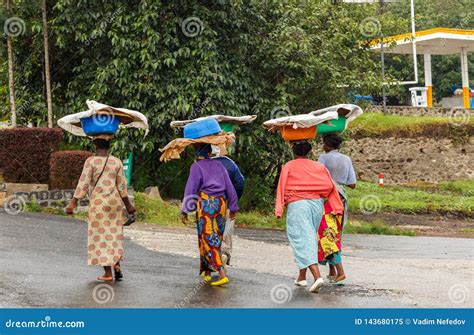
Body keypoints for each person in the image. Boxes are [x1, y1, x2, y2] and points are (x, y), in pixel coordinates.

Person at [275, 140, 343, 293]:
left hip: (298, 205)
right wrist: (337, 207)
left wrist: (279, 208)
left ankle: (317, 276)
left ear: (294, 151)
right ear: (308, 152)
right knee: (309, 237)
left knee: (301, 239)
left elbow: (281, 186)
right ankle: (301, 276)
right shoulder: (319, 167)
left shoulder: (289, 165)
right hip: (316, 205)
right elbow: (331, 187)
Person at [66, 137, 135, 281]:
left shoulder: (91, 161)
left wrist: (73, 202)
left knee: (100, 236)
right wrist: (128, 206)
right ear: (110, 145)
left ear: (95, 145)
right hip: (114, 203)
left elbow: (83, 183)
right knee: (114, 234)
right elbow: (122, 186)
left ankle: (108, 273)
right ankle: (116, 264)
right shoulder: (116, 162)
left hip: (99, 204)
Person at [181, 144, 239, 286]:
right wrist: (233, 207)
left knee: (207, 238)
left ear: (197, 152)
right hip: (221, 204)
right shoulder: (219, 166)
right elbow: (230, 187)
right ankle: (206, 271)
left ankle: (221, 273)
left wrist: (185, 210)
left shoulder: (196, 167)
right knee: (215, 237)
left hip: (206, 205)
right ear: (209, 152)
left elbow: (191, 189)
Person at [317, 133, 357, 284]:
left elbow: (318, 178)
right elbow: (353, 184)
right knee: (334, 233)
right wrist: (339, 181)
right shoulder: (346, 159)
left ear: (327, 145)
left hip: (328, 199)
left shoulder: (323, 158)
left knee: (326, 234)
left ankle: (340, 273)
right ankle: (332, 271)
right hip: (341, 200)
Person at [211, 145, 245, 267]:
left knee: (211, 230)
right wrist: (234, 201)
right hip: (227, 203)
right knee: (226, 231)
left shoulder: (204, 164)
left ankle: (212, 259)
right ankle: (224, 254)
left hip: (209, 204)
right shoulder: (231, 165)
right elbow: (240, 183)